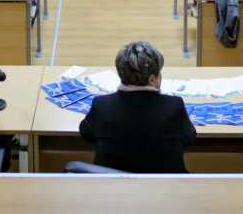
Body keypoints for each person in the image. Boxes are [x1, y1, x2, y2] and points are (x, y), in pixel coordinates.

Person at [78, 40, 196, 173]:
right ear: (152, 79)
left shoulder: (102, 106)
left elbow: (86, 132)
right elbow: (189, 137)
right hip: (163, 184)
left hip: (113, 184)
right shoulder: (174, 106)